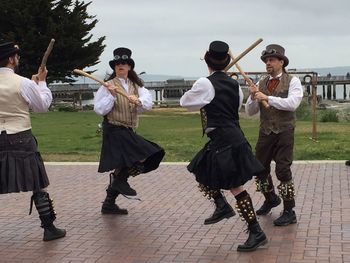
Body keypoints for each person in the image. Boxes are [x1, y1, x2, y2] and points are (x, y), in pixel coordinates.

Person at [180, 40, 267, 252]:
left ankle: (255, 231)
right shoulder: (234, 85)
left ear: (208, 61)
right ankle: (222, 206)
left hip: (224, 141)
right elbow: (234, 107)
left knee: (234, 185)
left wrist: (204, 89)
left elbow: (185, 102)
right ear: (226, 61)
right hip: (231, 137)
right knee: (200, 168)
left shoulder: (204, 83)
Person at [0, 41, 66, 241]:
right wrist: (41, 83)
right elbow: (42, 106)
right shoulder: (23, 83)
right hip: (20, 136)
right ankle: (49, 228)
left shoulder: (24, 82)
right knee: (37, 183)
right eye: (17, 57)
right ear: (12, 59)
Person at [94, 47, 165, 214]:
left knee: (125, 165)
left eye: (124, 63)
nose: (120, 65)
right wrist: (111, 96)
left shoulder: (137, 86)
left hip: (128, 130)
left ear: (129, 66)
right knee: (151, 152)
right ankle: (119, 182)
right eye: (117, 63)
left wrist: (138, 101)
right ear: (114, 67)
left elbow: (148, 104)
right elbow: (99, 110)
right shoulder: (107, 86)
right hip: (114, 129)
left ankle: (109, 203)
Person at [245, 44, 303, 226]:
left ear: (281, 62)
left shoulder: (293, 81)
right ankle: (270, 198)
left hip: (285, 131)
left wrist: (267, 98)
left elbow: (292, 104)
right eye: (266, 61)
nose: (268, 63)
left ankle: (289, 210)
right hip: (265, 131)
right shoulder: (261, 83)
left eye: (271, 60)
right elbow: (250, 112)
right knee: (259, 168)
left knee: (282, 170)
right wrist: (253, 97)